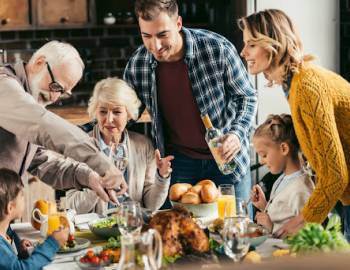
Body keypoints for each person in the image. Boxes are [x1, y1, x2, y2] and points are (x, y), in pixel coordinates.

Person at [123, 0, 257, 208]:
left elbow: (247, 97)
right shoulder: (138, 63)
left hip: (226, 160)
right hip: (178, 163)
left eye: (162, 35)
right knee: (178, 233)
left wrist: (237, 134)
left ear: (178, 24)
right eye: (146, 36)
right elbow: (125, 113)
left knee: (233, 231)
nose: (155, 46)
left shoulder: (217, 49)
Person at [239, 9, 350, 239]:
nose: (243, 52)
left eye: (251, 44)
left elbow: (335, 175)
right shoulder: (295, 83)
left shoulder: (307, 86)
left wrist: (301, 221)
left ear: (272, 44)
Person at [0, 40, 127, 203]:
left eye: (62, 93)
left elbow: (40, 162)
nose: (54, 97)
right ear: (39, 63)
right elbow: (42, 123)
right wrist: (101, 162)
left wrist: (89, 177)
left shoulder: (29, 97)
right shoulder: (4, 85)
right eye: (56, 86)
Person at [66, 78, 173, 214]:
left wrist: (162, 177)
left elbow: (151, 205)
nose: (109, 119)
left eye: (117, 112)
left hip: (131, 225)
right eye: (103, 112)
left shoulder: (143, 146)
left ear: (128, 114)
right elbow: (72, 205)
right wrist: (98, 186)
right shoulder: (80, 147)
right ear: (95, 113)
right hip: (94, 229)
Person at [251, 114, 314, 234]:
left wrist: (271, 227)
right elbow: (283, 215)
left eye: (264, 155)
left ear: (284, 148)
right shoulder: (282, 178)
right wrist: (264, 206)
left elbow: (306, 234)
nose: (261, 161)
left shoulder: (301, 190)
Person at [0, 168, 69, 270]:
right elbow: (21, 268)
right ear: (10, 208)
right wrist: (53, 243)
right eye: (22, 196)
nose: (24, 199)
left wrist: (20, 253)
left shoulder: (5, 235)